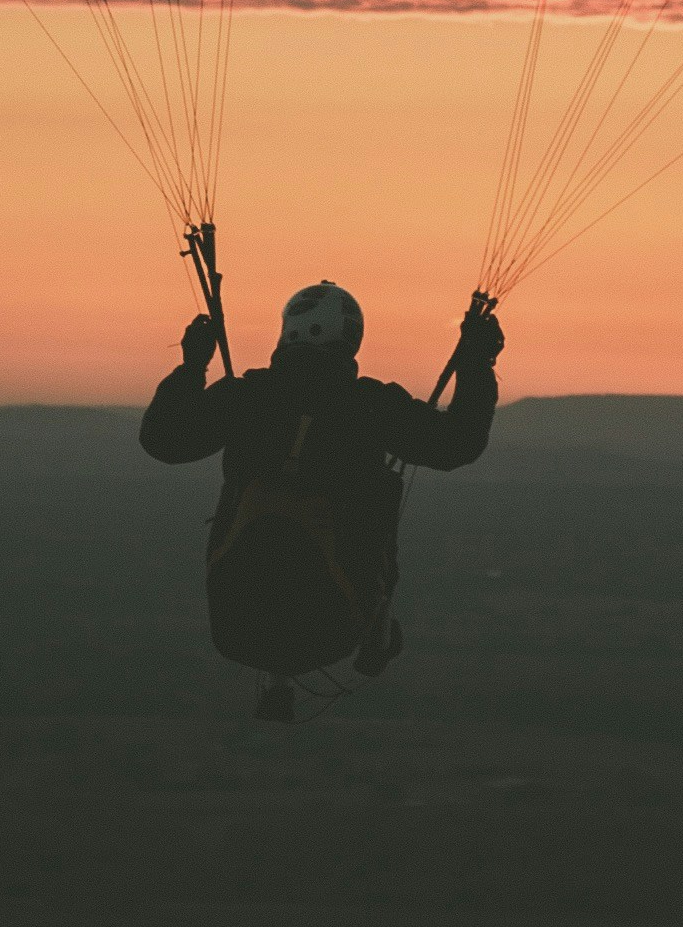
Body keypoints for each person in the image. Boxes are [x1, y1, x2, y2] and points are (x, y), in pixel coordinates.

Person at [139, 276, 502, 719]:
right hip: (331, 623)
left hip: (235, 618)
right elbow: (457, 443)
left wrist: (193, 365)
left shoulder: (247, 397)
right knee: (378, 495)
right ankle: (376, 621)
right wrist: (477, 361)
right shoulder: (370, 406)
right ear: (350, 338)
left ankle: (317, 645)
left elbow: (163, 440)